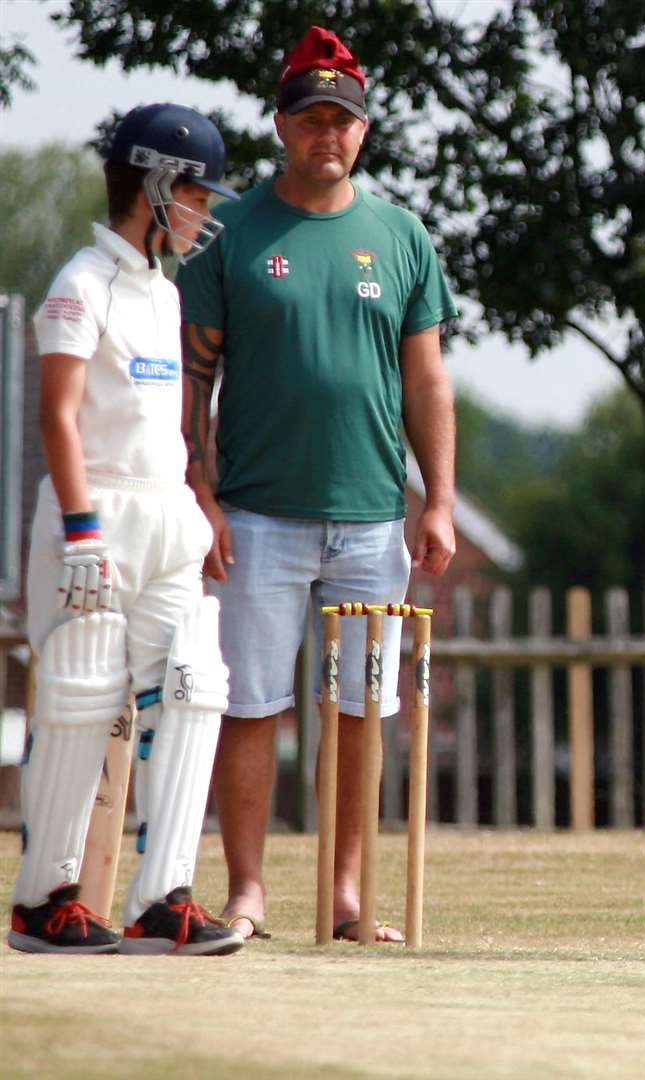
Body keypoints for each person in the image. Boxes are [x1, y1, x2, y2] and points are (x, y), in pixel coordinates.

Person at [175, 26, 459, 943]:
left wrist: (441, 499)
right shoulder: (232, 234)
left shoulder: (401, 235)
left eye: (341, 120)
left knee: (359, 716)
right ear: (282, 126)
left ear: (364, 131)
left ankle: (343, 897)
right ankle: (249, 890)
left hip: (373, 516)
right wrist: (201, 494)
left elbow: (427, 382)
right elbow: (192, 380)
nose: (325, 134)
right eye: (309, 119)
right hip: (255, 516)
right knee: (252, 704)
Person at [10, 103, 244, 955]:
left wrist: (195, 502)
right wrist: (80, 531)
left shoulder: (161, 287)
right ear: (154, 186)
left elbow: (170, 424)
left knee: (195, 684)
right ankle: (46, 901)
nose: (205, 213)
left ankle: (164, 899)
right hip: (95, 514)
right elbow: (59, 418)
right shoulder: (82, 284)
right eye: (197, 194)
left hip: (164, 513)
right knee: (79, 700)